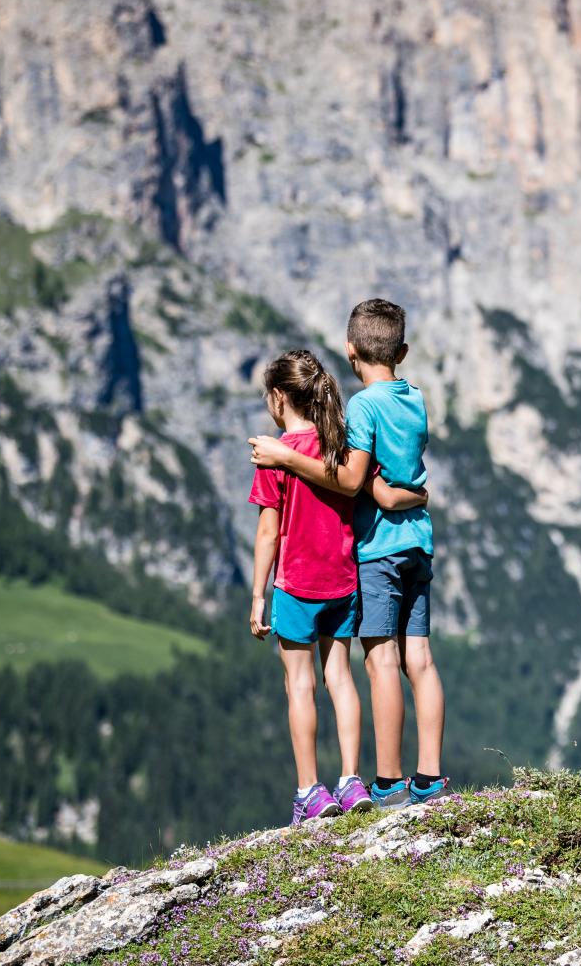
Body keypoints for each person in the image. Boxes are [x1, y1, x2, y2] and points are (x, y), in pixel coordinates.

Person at [250, 299, 444, 808]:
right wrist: (407, 495)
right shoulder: (416, 398)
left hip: (375, 550)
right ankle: (431, 777)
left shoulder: (359, 407)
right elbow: (394, 481)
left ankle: (386, 781)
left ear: (350, 350)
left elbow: (354, 479)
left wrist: (286, 456)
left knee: (380, 661)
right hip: (418, 541)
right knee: (419, 658)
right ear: (402, 351)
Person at [247, 348, 378, 824]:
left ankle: (309, 791)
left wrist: (259, 594)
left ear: (280, 398)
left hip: (297, 585)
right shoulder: (336, 446)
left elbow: (267, 531)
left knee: (299, 685)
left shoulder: (274, 455)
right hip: (342, 583)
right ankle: (350, 780)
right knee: (341, 678)